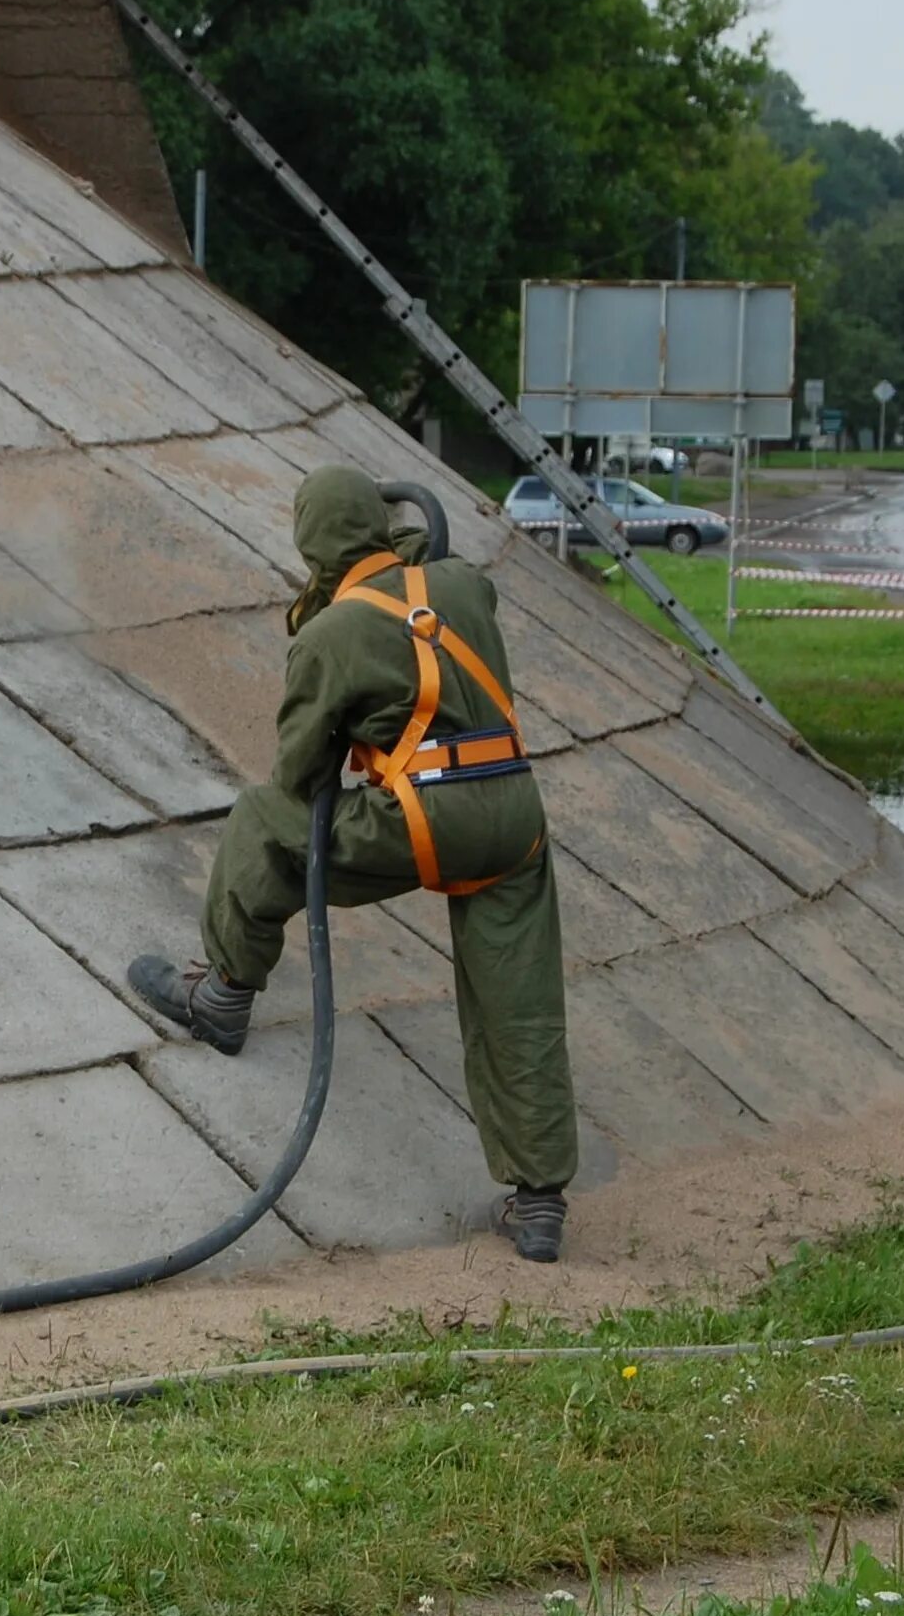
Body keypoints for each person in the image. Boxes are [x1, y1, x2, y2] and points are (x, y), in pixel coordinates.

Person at [128, 465, 581, 1262]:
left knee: (262, 820)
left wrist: (323, 629)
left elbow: (299, 775)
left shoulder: (330, 636)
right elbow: (426, 566)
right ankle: (538, 1203)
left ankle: (223, 994)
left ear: (311, 545)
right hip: (515, 815)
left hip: (421, 819)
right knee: (519, 998)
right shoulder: (464, 586)